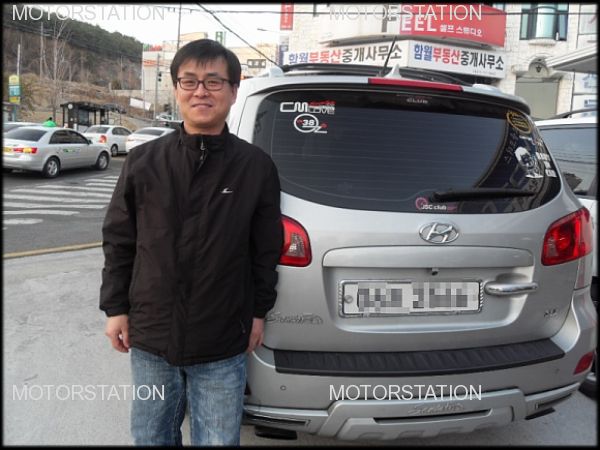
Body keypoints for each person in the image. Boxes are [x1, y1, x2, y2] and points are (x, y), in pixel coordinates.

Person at [99, 39, 283, 446]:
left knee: (218, 439)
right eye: (190, 81)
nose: (201, 91)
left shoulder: (255, 168)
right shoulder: (144, 162)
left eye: (214, 82)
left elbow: (266, 250)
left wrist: (258, 313)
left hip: (223, 336)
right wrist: (116, 308)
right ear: (176, 89)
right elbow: (120, 240)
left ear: (234, 90)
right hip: (151, 334)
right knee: (151, 436)